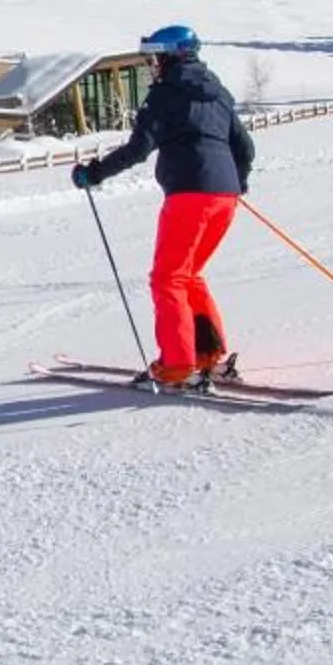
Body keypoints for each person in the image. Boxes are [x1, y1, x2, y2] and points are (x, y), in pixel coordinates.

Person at [72, 23, 256, 390]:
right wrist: (234, 182)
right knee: (188, 274)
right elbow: (245, 148)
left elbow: (138, 149)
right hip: (225, 198)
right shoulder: (218, 93)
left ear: (171, 57)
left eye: (154, 59)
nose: (150, 66)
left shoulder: (166, 94)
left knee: (168, 278)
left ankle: (178, 366)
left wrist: (95, 173)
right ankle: (206, 355)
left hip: (189, 195)